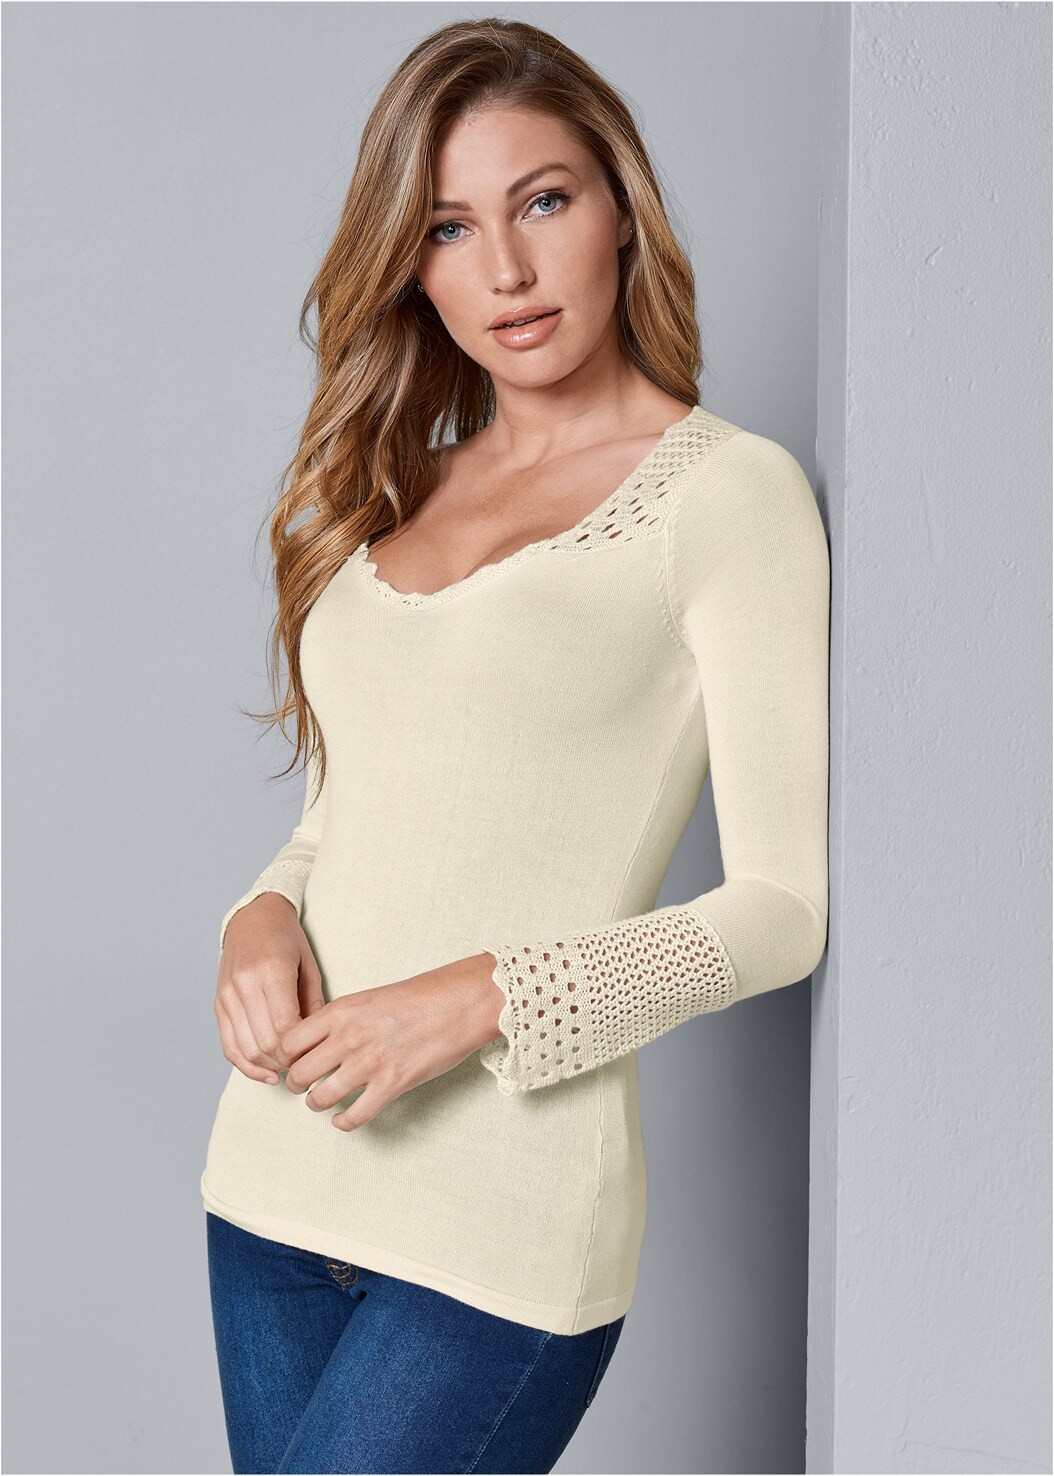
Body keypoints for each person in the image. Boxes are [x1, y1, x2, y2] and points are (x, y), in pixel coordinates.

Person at [201, 15, 830, 1476]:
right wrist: (257, 914)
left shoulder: (724, 499)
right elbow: (346, 814)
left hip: (496, 1230)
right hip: (272, 1183)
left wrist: (481, 997)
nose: (506, 270)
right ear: (411, 265)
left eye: (542, 200)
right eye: (448, 227)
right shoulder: (391, 491)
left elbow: (780, 911)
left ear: (619, 206)